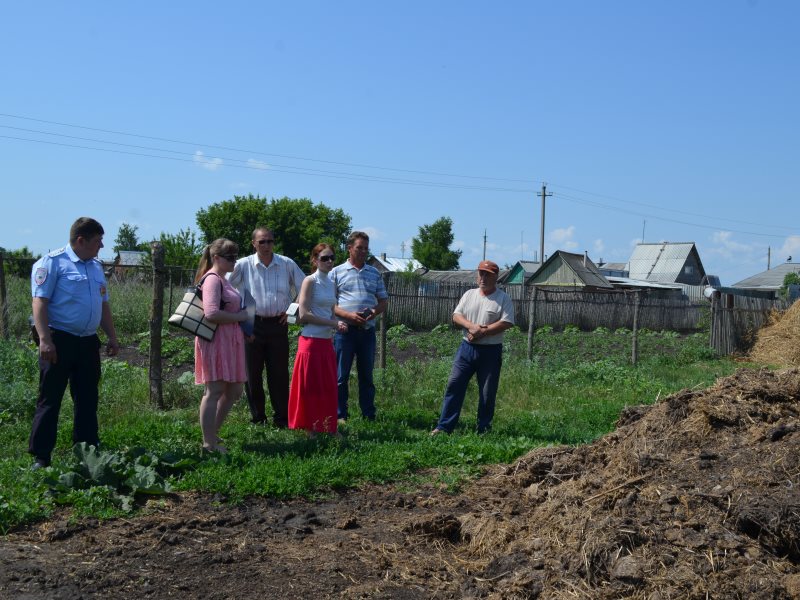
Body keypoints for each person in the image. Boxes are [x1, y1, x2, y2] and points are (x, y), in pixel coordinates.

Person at [29, 217, 120, 469]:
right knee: (51, 397)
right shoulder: (53, 263)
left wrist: (112, 336)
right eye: (98, 241)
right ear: (81, 240)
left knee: (88, 397)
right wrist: (45, 340)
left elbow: (103, 305)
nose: (101, 246)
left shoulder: (95, 267)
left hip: (88, 342)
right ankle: (41, 456)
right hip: (59, 339)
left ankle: (87, 450)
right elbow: (40, 303)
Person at [228, 227, 305, 427]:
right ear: (253, 243)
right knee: (252, 374)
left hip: (278, 325)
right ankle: (258, 418)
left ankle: (281, 418)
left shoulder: (286, 263)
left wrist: (292, 310)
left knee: (278, 374)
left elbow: (305, 286)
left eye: (270, 241)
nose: (266, 245)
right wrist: (238, 315)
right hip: (252, 324)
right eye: (262, 241)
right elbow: (224, 287)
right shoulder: (243, 265)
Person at [431, 260, 514, 435]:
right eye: (481, 273)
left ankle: (483, 429)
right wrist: (471, 327)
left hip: (490, 351)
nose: (483, 277)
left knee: (487, 392)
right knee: (454, 384)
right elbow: (456, 316)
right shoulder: (469, 294)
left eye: (487, 274)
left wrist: (482, 331)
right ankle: (444, 427)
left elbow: (506, 322)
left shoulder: (503, 298)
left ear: (495, 277)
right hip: (466, 349)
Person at [194, 239, 249, 453]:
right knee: (215, 390)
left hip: (229, 340)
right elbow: (211, 313)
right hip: (215, 341)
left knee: (234, 390)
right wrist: (240, 316)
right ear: (216, 258)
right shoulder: (212, 280)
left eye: (235, 256)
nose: (234, 261)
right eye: (229, 257)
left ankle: (212, 434)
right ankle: (208, 443)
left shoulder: (224, 280)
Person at [288, 244, 349, 436]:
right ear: (315, 260)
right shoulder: (309, 281)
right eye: (324, 258)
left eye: (332, 257)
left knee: (328, 386)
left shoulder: (331, 283)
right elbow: (304, 314)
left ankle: (329, 426)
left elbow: (330, 312)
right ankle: (310, 428)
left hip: (326, 341)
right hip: (311, 341)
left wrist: (336, 322)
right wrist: (333, 323)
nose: (329, 261)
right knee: (311, 387)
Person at [331, 231, 388, 422]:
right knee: (340, 376)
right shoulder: (336, 272)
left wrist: (373, 312)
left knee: (367, 376)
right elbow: (329, 304)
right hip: (344, 331)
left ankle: (368, 414)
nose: (363, 251)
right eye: (359, 248)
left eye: (366, 248)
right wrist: (348, 316)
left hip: (366, 332)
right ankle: (340, 415)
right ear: (349, 248)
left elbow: (383, 301)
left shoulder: (374, 272)